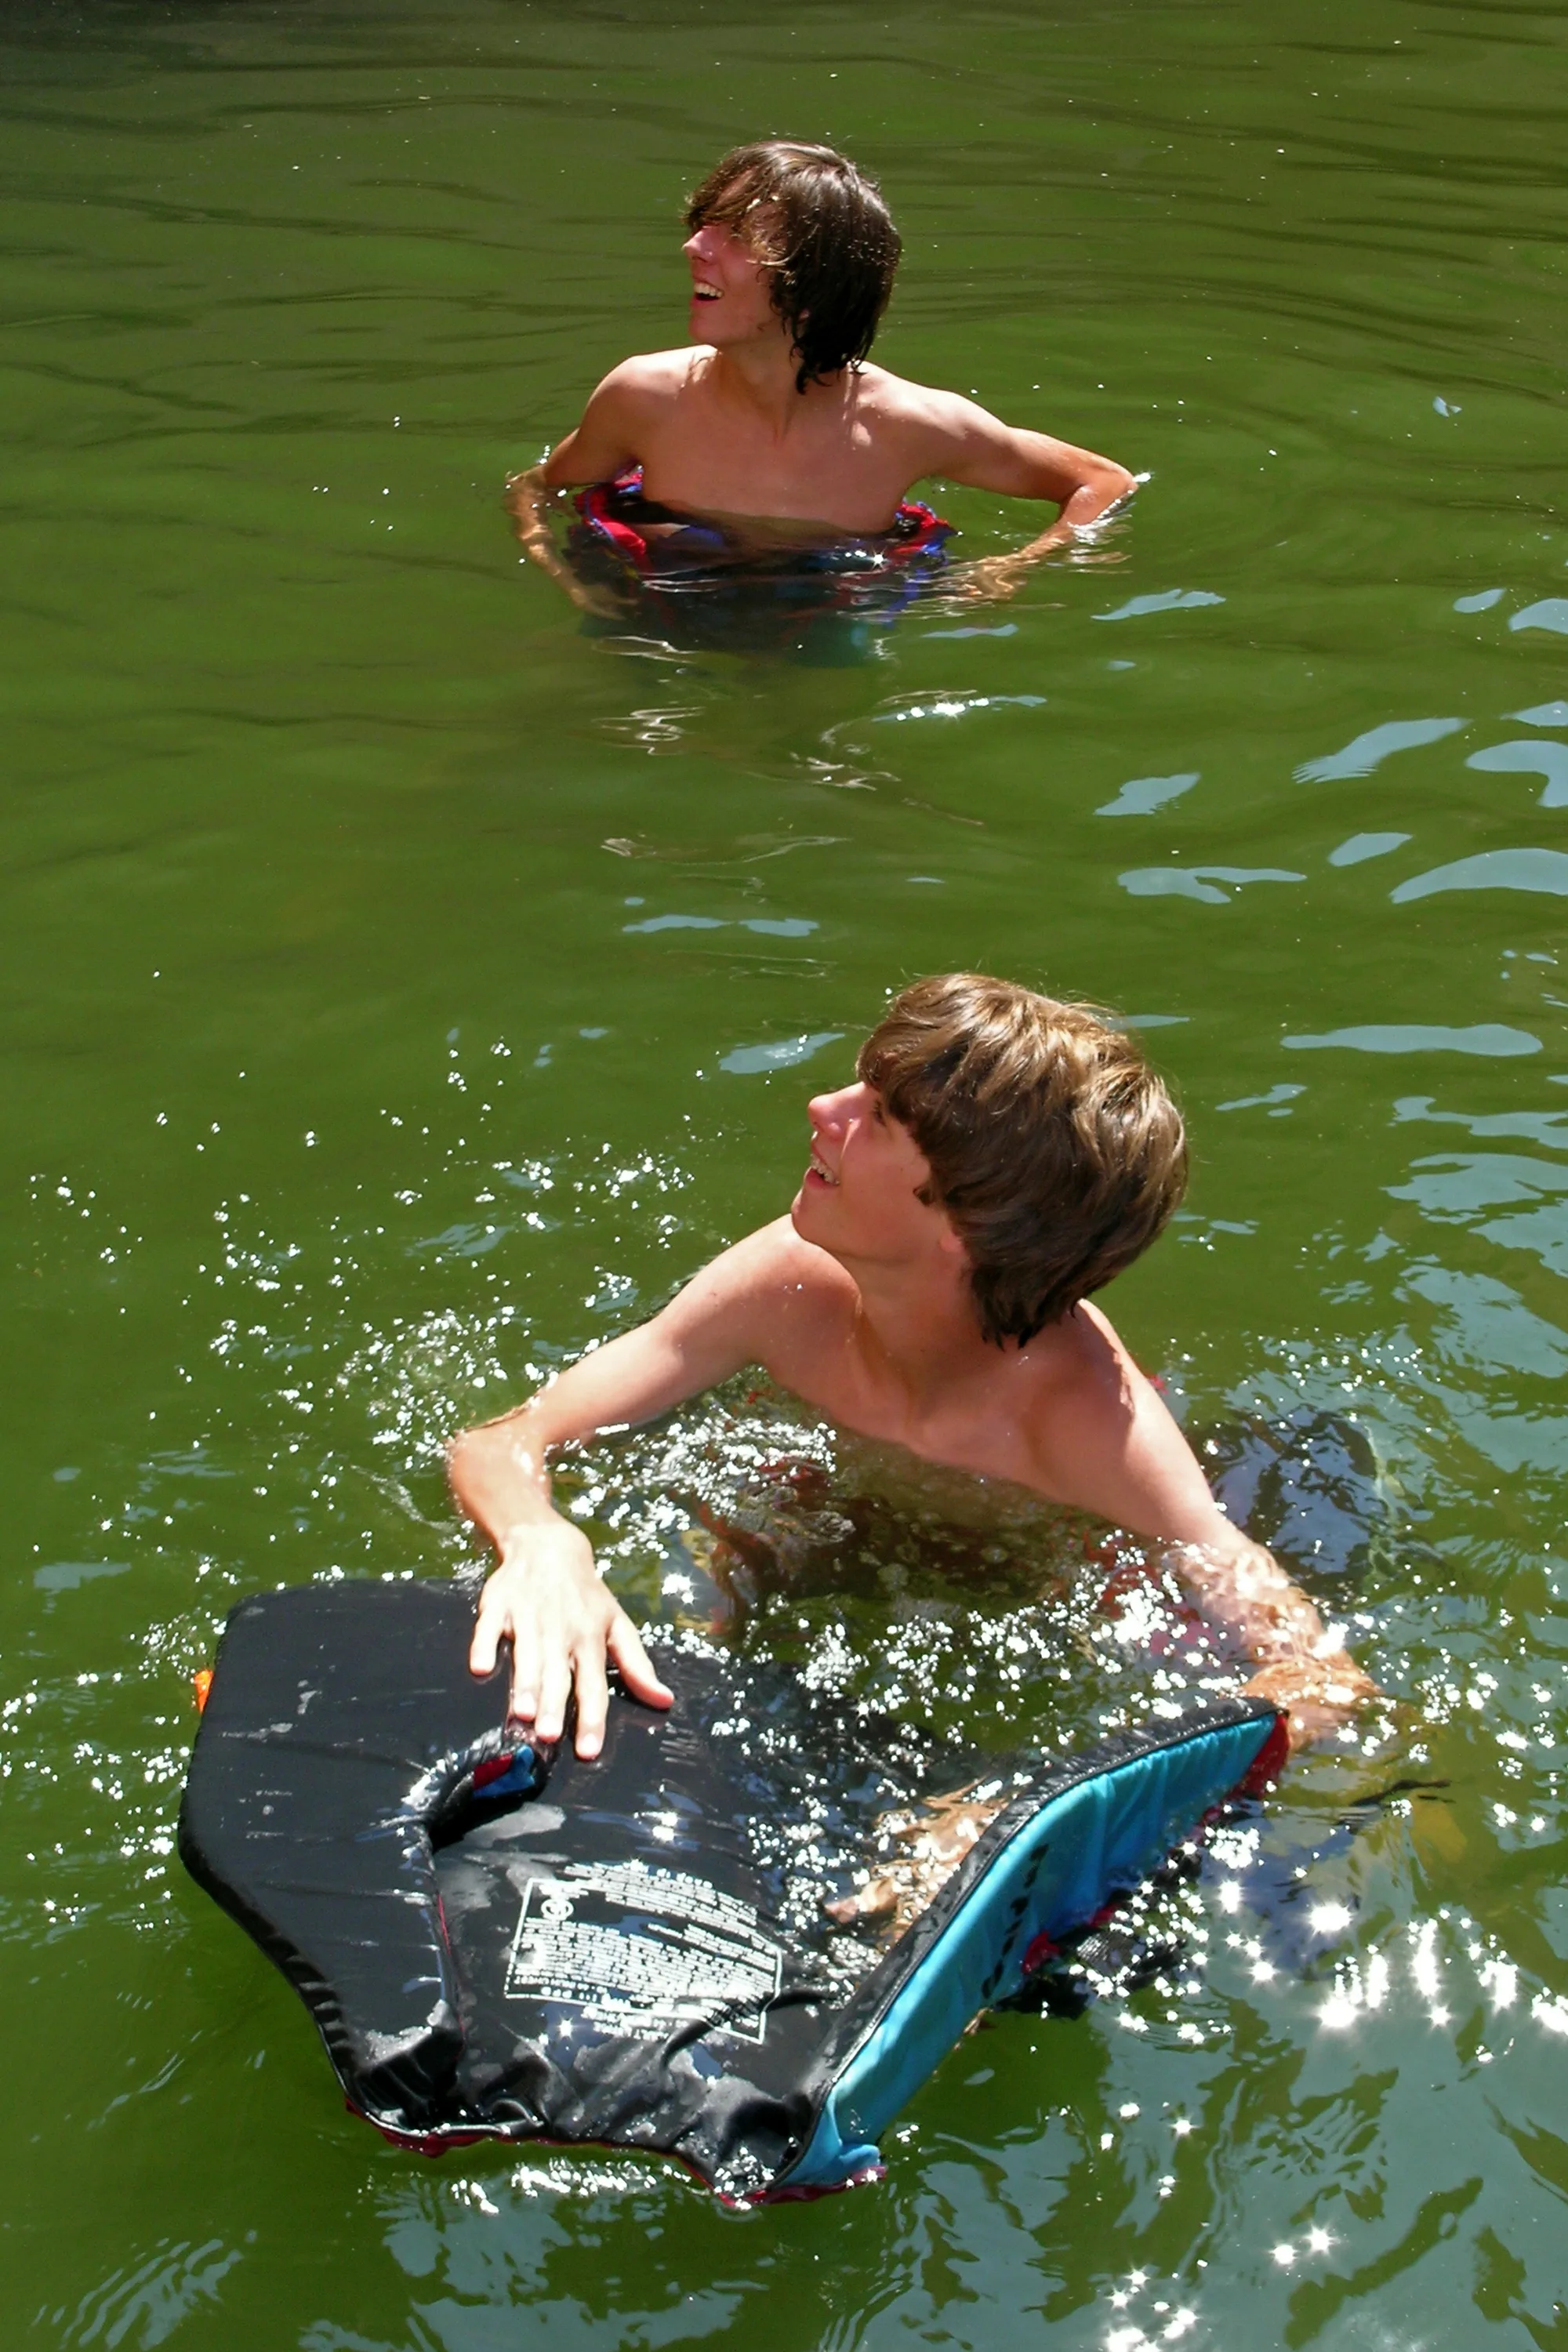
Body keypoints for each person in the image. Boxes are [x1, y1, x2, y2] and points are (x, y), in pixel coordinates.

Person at [448, 975, 1377, 1769]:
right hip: (822, 1505)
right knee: (673, 1619)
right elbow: (503, 1441)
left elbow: (1317, 1682)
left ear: (961, 1222)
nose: (821, 1109)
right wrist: (541, 1543)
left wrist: (1013, 1815)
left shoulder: (1085, 1424)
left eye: (879, 1117)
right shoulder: (786, 1284)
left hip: (1021, 1574)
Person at [506, 140, 1137, 613]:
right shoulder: (645, 397)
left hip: (820, 625)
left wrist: (1014, 569)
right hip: (655, 613)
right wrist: (561, 575)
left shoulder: (907, 425)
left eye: (735, 235)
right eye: (703, 225)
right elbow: (539, 490)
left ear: (813, 287)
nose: (694, 247)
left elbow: (1101, 482)